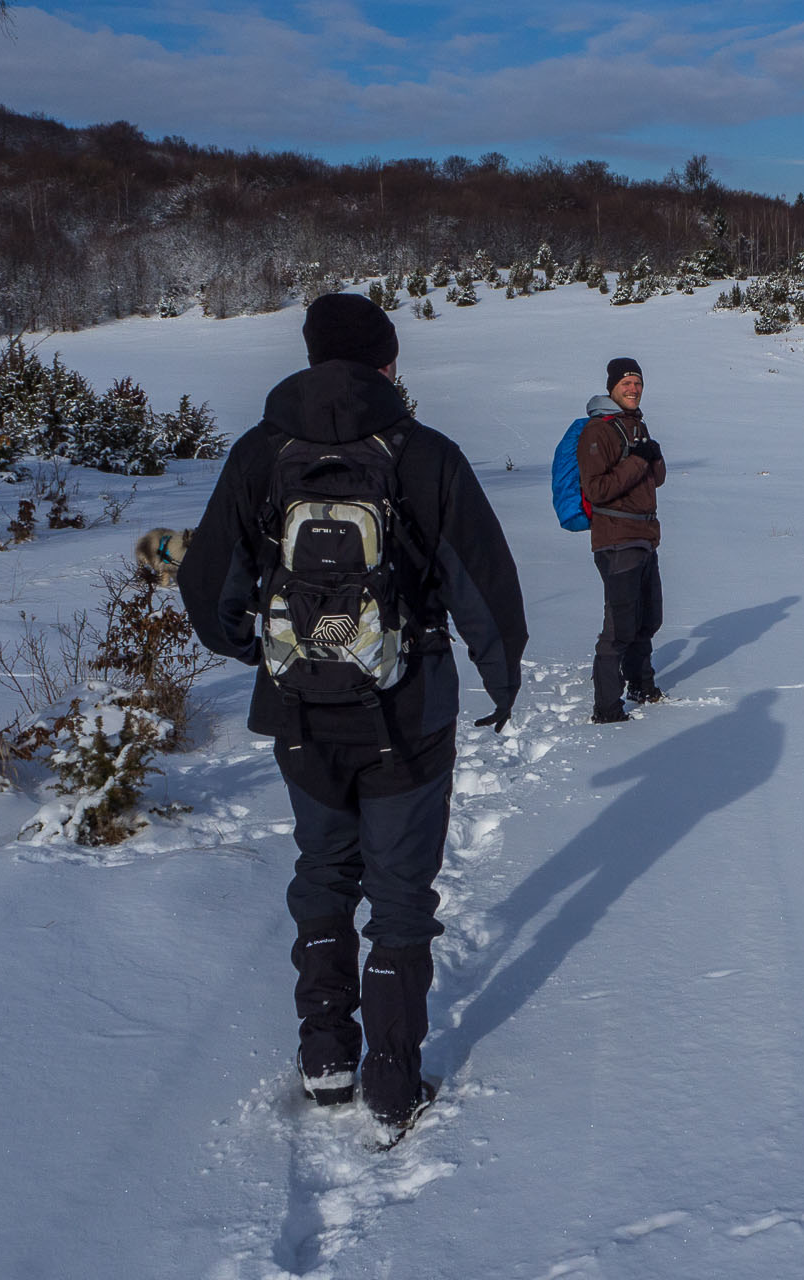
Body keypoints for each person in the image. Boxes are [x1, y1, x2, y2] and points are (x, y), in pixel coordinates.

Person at [179, 292, 527, 1134]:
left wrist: (265, 655)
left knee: (324, 873)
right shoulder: (426, 454)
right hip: (408, 716)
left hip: (302, 715)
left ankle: (326, 1056)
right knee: (402, 895)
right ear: (386, 360)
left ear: (309, 356)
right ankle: (392, 1083)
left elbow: (208, 590)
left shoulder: (260, 455)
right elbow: (483, 581)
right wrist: (500, 674)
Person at [578, 356, 666, 723]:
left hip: (643, 536)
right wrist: (637, 460)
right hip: (616, 541)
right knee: (619, 626)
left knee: (648, 619)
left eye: (638, 382)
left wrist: (653, 457)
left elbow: (653, 480)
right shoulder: (597, 431)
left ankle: (641, 685)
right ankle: (607, 708)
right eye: (626, 383)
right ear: (612, 387)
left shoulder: (635, 426)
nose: (633, 388)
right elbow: (597, 490)